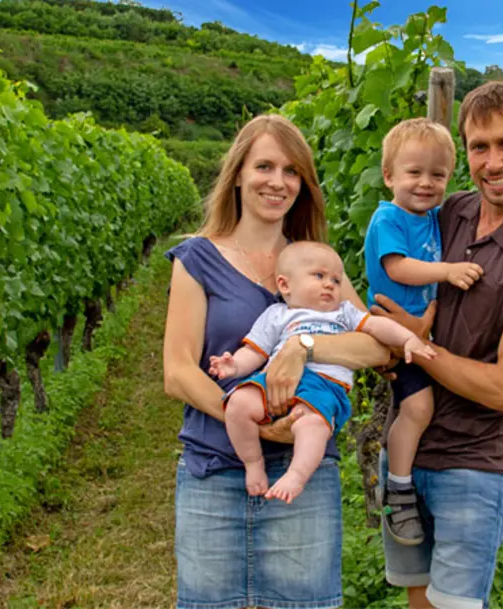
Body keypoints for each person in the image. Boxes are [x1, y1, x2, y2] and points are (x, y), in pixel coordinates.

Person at [162, 114, 390, 609]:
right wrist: (258, 426)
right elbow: (178, 372)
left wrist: (302, 347)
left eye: (292, 172)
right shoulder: (197, 258)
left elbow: (375, 347)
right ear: (238, 173)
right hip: (213, 471)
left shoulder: (317, 263)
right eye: (264, 166)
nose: (277, 181)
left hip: (304, 477)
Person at [371, 81, 503, 609]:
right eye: (479, 147)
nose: (492, 162)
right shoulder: (452, 211)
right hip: (409, 448)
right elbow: (390, 280)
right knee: (418, 601)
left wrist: (415, 344)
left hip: (471, 464)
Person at [209, 241, 436, 505]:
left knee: (312, 425)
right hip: (274, 379)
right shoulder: (276, 314)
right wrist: (233, 366)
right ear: (285, 285)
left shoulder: (345, 313)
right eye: (319, 276)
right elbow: (256, 352)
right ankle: (253, 462)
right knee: (237, 404)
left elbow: (376, 325)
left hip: (324, 385)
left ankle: (296, 474)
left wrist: (408, 339)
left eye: (336, 281)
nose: (330, 284)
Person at [364, 118, 483, 546]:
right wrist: (448, 272)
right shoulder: (387, 219)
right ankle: (397, 488)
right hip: (394, 332)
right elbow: (399, 268)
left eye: (438, 175)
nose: (426, 183)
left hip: (422, 332)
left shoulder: (434, 216)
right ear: (389, 176)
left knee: (423, 410)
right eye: (414, 173)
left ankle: (404, 479)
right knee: (416, 409)